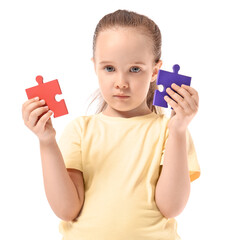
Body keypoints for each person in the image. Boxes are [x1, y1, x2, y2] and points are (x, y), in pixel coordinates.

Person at [22, 9, 201, 240]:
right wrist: (46, 141)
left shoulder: (171, 130)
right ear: (95, 66)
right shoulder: (80, 130)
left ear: (155, 70)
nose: (121, 83)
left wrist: (178, 131)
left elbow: (171, 207)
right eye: (109, 68)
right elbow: (66, 210)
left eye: (135, 69)